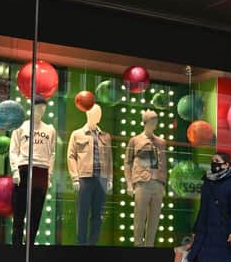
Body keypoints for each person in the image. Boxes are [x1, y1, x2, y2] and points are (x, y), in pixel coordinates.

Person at [9, 95, 56, 246]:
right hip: (24, 168)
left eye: (43, 108)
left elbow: (52, 153)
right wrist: (15, 170)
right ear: (32, 108)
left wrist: (49, 175)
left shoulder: (50, 129)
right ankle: (16, 245)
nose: (41, 111)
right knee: (19, 210)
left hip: (41, 171)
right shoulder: (21, 127)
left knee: (36, 213)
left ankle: (30, 244)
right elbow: (13, 150)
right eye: (38, 108)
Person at [67, 104, 113, 245]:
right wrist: (75, 178)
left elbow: (109, 159)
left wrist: (110, 179)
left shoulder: (106, 136)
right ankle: (81, 244)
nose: (97, 116)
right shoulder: (77, 134)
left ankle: (93, 244)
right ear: (87, 114)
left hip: (101, 180)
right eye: (94, 113)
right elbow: (71, 156)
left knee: (97, 214)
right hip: (85, 179)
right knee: (82, 213)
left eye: (99, 113)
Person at [124, 110, 167, 247]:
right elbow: (127, 162)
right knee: (139, 218)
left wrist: (163, 185)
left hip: (157, 184)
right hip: (142, 183)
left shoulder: (161, 142)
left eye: (156, 121)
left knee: (154, 220)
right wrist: (129, 184)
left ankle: (150, 247)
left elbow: (164, 164)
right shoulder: (135, 140)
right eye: (152, 121)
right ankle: (138, 246)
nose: (155, 124)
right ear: (146, 122)